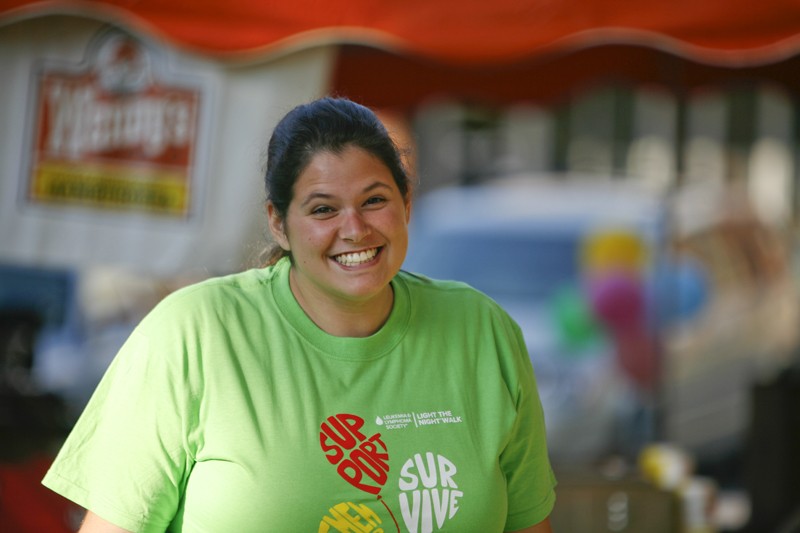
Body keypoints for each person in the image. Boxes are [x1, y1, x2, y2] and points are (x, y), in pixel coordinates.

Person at [42, 97, 557, 532]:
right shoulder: (194, 334)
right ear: (279, 224)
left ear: (406, 203)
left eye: (374, 200)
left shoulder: (483, 331)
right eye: (322, 209)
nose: (354, 229)